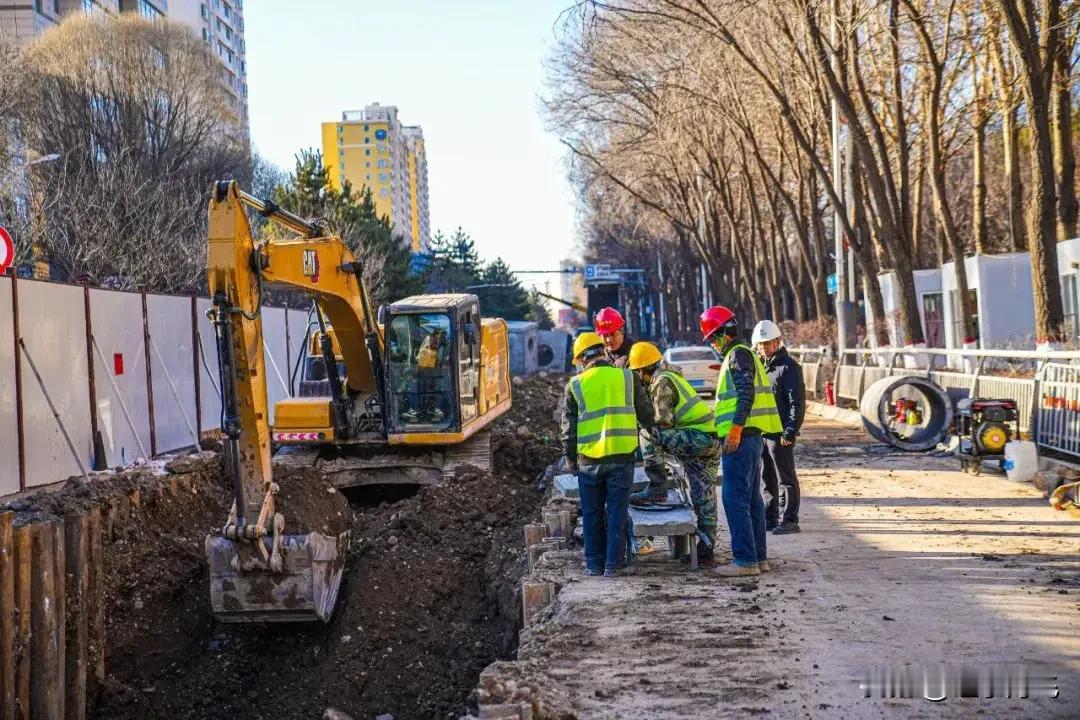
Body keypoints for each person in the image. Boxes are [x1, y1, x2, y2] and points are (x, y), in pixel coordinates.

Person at [561, 332, 655, 577]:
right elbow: (648, 415)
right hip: (622, 458)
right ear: (602, 352)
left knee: (591, 513)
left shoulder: (575, 385)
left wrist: (570, 458)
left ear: (582, 359)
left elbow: (568, 428)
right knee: (617, 512)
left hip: (588, 461)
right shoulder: (627, 378)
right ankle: (614, 565)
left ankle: (594, 565)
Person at [701, 306, 783, 577]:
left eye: (714, 337)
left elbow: (745, 393)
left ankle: (746, 561)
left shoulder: (737, 355)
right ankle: (758, 558)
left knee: (735, 499)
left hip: (741, 438)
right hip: (750, 438)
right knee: (750, 500)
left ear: (725, 332)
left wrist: (734, 429)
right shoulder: (743, 354)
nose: (713, 343)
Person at [627, 341, 721, 566]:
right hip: (708, 440)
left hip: (697, 439)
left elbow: (662, 424)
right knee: (703, 494)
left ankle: (657, 487)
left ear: (641, 370)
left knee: (648, 433)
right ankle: (707, 551)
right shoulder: (672, 375)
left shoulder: (662, 382)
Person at [751, 320, 805, 534]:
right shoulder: (761, 367)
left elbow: (796, 402)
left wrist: (791, 430)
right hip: (765, 430)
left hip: (781, 432)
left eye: (768, 343)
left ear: (777, 342)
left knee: (785, 477)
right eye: (761, 344)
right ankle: (770, 517)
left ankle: (790, 519)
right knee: (767, 477)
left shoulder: (789, 367)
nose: (764, 347)